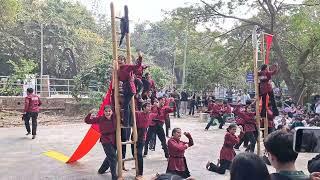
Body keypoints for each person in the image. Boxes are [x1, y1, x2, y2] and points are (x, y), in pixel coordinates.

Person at [84, 105, 117, 180]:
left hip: (114, 140)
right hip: (105, 140)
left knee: (110, 157)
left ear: (112, 111)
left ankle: (101, 170)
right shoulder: (100, 118)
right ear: (103, 112)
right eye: (106, 111)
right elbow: (87, 121)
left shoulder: (115, 117)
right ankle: (114, 177)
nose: (108, 113)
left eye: (109, 111)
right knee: (113, 158)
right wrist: (89, 114)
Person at [129, 102, 157, 178]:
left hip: (142, 136)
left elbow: (159, 114)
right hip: (134, 134)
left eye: (150, 106)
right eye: (148, 106)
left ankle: (140, 173)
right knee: (133, 152)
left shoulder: (151, 115)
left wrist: (158, 106)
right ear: (144, 107)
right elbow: (130, 111)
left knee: (139, 154)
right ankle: (137, 166)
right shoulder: (137, 113)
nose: (150, 108)